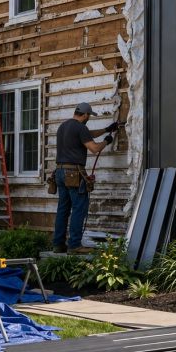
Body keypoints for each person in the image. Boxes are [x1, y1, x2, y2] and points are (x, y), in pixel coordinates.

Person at [52, 102, 118, 254]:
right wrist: (106, 141)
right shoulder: (81, 128)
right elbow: (94, 148)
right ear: (86, 114)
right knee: (79, 208)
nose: (89, 118)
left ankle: (58, 244)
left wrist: (107, 129)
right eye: (89, 115)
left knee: (63, 209)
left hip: (59, 173)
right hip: (74, 174)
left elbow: (87, 135)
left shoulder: (64, 126)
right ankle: (74, 245)